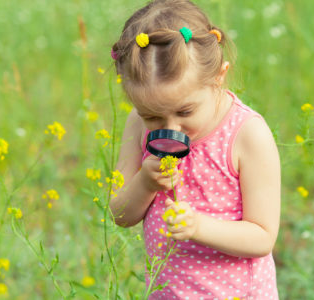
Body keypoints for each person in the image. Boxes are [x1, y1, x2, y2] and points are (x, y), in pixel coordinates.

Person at [109, 0, 281, 299]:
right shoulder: (137, 123)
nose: (170, 129)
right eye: (153, 116)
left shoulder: (247, 134)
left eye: (185, 112)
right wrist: (145, 183)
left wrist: (198, 226)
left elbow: (263, 237)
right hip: (167, 292)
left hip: (238, 293)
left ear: (219, 77)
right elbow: (120, 214)